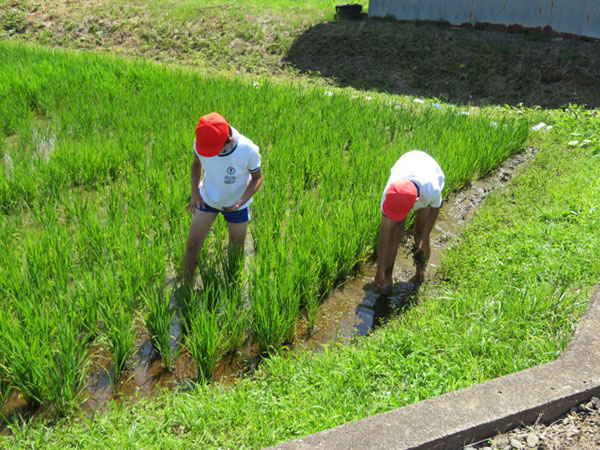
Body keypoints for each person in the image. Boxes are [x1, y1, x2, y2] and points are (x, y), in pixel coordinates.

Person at [183, 112, 263, 287]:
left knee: (235, 250)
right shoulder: (201, 142)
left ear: (228, 141)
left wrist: (240, 202)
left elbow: (257, 178)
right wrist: (195, 193)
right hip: (208, 199)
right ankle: (186, 289)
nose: (210, 154)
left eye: (214, 150)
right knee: (192, 245)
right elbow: (196, 165)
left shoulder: (247, 149)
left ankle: (232, 288)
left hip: (237, 205)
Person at [375, 150, 445, 290]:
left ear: (416, 201)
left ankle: (420, 273)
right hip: (406, 163)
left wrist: (424, 239)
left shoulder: (431, 190)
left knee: (419, 232)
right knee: (394, 232)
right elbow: (384, 234)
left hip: (429, 170)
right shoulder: (389, 194)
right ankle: (388, 276)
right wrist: (379, 270)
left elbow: (434, 211)